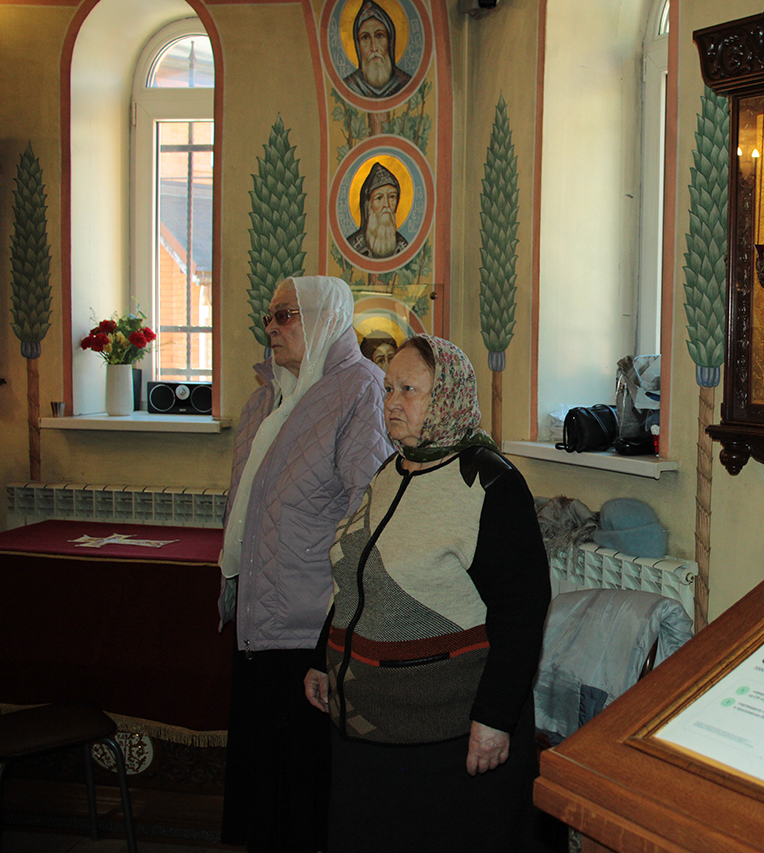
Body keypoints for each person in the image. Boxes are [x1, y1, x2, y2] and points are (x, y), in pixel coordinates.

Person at [304, 334, 551, 852]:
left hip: (445, 740)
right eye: (388, 388)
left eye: (409, 390)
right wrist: (320, 661)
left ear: (447, 396)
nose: (392, 402)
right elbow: (354, 573)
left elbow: (522, 613)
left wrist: (495, 718)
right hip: (364, 733)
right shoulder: (388, 471)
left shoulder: (490, 483)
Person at [218, 276, 393, 851]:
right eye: (269, 316)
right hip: (258, 618)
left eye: (286, 315)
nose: (272, 327)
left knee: (304, 798)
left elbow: (365, 515)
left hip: (311, 624)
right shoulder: (266, 398)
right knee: (265, 797)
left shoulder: (360, 390)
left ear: (324, 317)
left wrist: (334, 631)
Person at [342, 0, 412, 99]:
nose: (374, 48)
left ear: (390, 42)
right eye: (365, 37)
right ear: (358, 46)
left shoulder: (406, 83)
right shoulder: (349, 86)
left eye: (379, 36)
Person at [345, 162, 409, 259]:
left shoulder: (403, 247)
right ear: (368, 205)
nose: (386, 204)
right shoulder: (352, 247)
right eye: (379, 198)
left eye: (392, 197)